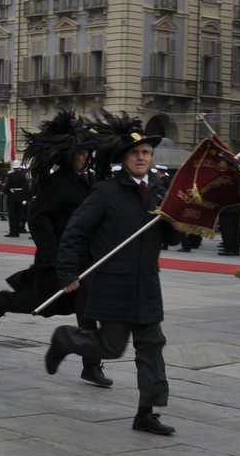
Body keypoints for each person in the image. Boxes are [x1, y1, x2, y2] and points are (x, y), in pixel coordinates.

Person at [43, 115, 182, 435]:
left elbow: (172, 240)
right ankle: (66, 339)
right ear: (124, 158)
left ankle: (146, 412)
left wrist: (175, 218)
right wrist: (67, 272)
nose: (142, 158)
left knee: (152, 346)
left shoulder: (159, 194)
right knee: (110, 347)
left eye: (146, 152)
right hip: (112, 284)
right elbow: (75, 232)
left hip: (146, 284)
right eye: (136, 153)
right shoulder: (106, 192)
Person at [0, 110, 110, 388]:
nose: (85, 157)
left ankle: (91, 366)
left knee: (87, 312)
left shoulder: (88, 180)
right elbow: (37, 216)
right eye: (80, 153)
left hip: (84, 260)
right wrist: (53, 253)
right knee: (37, 303)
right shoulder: (59, 182)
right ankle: (3, 302)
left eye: (88, 152)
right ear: (69, 154)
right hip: (59, 260)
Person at [3, 162, 29, 237]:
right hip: (21, 197)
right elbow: (26, 187)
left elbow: (8, 185)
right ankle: (17, 231)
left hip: (12, 197)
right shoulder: (23, 175)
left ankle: (13, 232)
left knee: (12, 215)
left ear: (13, 167)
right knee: (18, 215)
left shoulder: (11, 175)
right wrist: (25, 197)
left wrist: (6, 191)